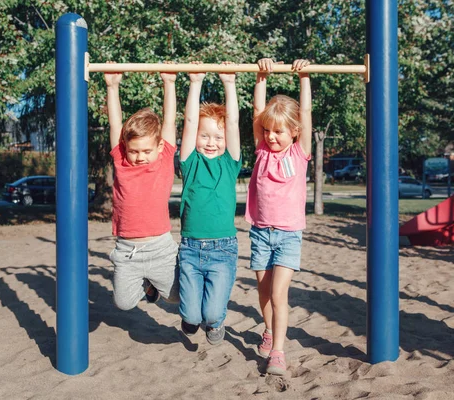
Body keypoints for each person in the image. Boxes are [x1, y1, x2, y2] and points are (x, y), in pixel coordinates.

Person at [245, 58, 312, 375]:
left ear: (295, 132)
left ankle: (278, 352)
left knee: (278, 293)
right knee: (263, 291)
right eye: (268, 131)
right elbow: (258, 116)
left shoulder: (299, 153)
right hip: (260, 233)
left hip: (288, 235)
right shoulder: (261, 150)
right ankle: (269, 330)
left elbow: (307, 113)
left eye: (279, 132)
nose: (271, 136)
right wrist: (261, 77)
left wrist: (305, 78)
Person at [104, 63, 180, 311]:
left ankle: (153, 286)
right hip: (128, 249)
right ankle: (147, 287)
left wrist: (169, 83)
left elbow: (169, 120)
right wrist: (112, 85)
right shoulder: (122, 162)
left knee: (176, 297)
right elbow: (116, 125)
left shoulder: (164, 158)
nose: (140, 156)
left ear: (159, 147)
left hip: (160, 246)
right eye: (134, 151)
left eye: (146, 150)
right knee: (124, 303)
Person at [178, 62, 241, 345]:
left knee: (213, 312)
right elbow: (190, 122)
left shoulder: (230, 165)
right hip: (190, 249)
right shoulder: (190, 163)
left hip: (223, 248)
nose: (211, 142)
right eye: (205, 136)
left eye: (218, 137)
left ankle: (215, 323)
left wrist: (230, 84)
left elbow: (234, 122)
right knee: (191, 316)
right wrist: (195, 83)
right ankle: (192, 320)